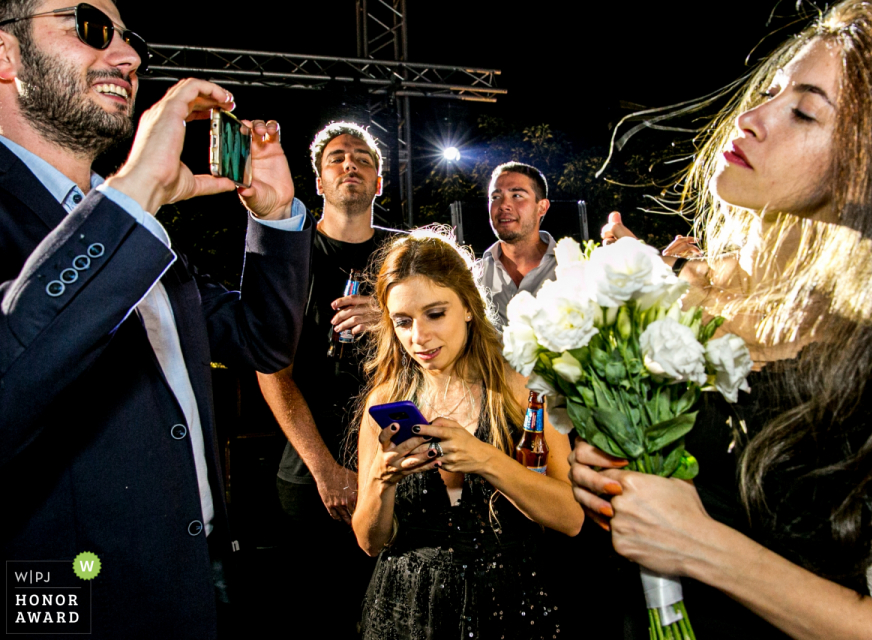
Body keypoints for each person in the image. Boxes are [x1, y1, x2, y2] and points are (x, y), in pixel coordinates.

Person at [571, 0, 872, 638]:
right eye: (772, 92)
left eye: (804, 111)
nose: (750, 120)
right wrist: (611, 461)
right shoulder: (697, 296)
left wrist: (704, 549)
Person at [0, 0, 312, 638]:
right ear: (4, 55)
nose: (130, 56)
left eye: (128, 37)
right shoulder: (125, 215)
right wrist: (134, 190)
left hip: (196, 578)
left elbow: (262, 340)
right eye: (90, 26)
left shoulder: (136, 225)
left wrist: (275, 217)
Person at [352, 229, 583, 639]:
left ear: (469, 308)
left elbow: (569, 517)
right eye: (403, 321)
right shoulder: (385, 401)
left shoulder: (522, 389)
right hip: (406, 611)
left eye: (435, 314)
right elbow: (371, 542)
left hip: (511, 606)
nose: (418, 338)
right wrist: (380, 481)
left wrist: (485, 458)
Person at [256, 121, 401, 636]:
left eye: (363, 158)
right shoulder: (290, 254)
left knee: (396, 616)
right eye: (337, 158)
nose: (350, 165)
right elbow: (273, 372)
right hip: (313, 475)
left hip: (400, 463)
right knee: (321, 616)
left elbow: (449, 347)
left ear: (379, 182)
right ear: (318, 180)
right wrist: (325, 469)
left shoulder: (406, 256)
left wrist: (391, 321)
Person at [479, 161, 557, 327]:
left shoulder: (572, 268)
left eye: (517, 196)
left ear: (542, 207)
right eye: (495, 197)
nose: (504, 205)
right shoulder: (474, 276)